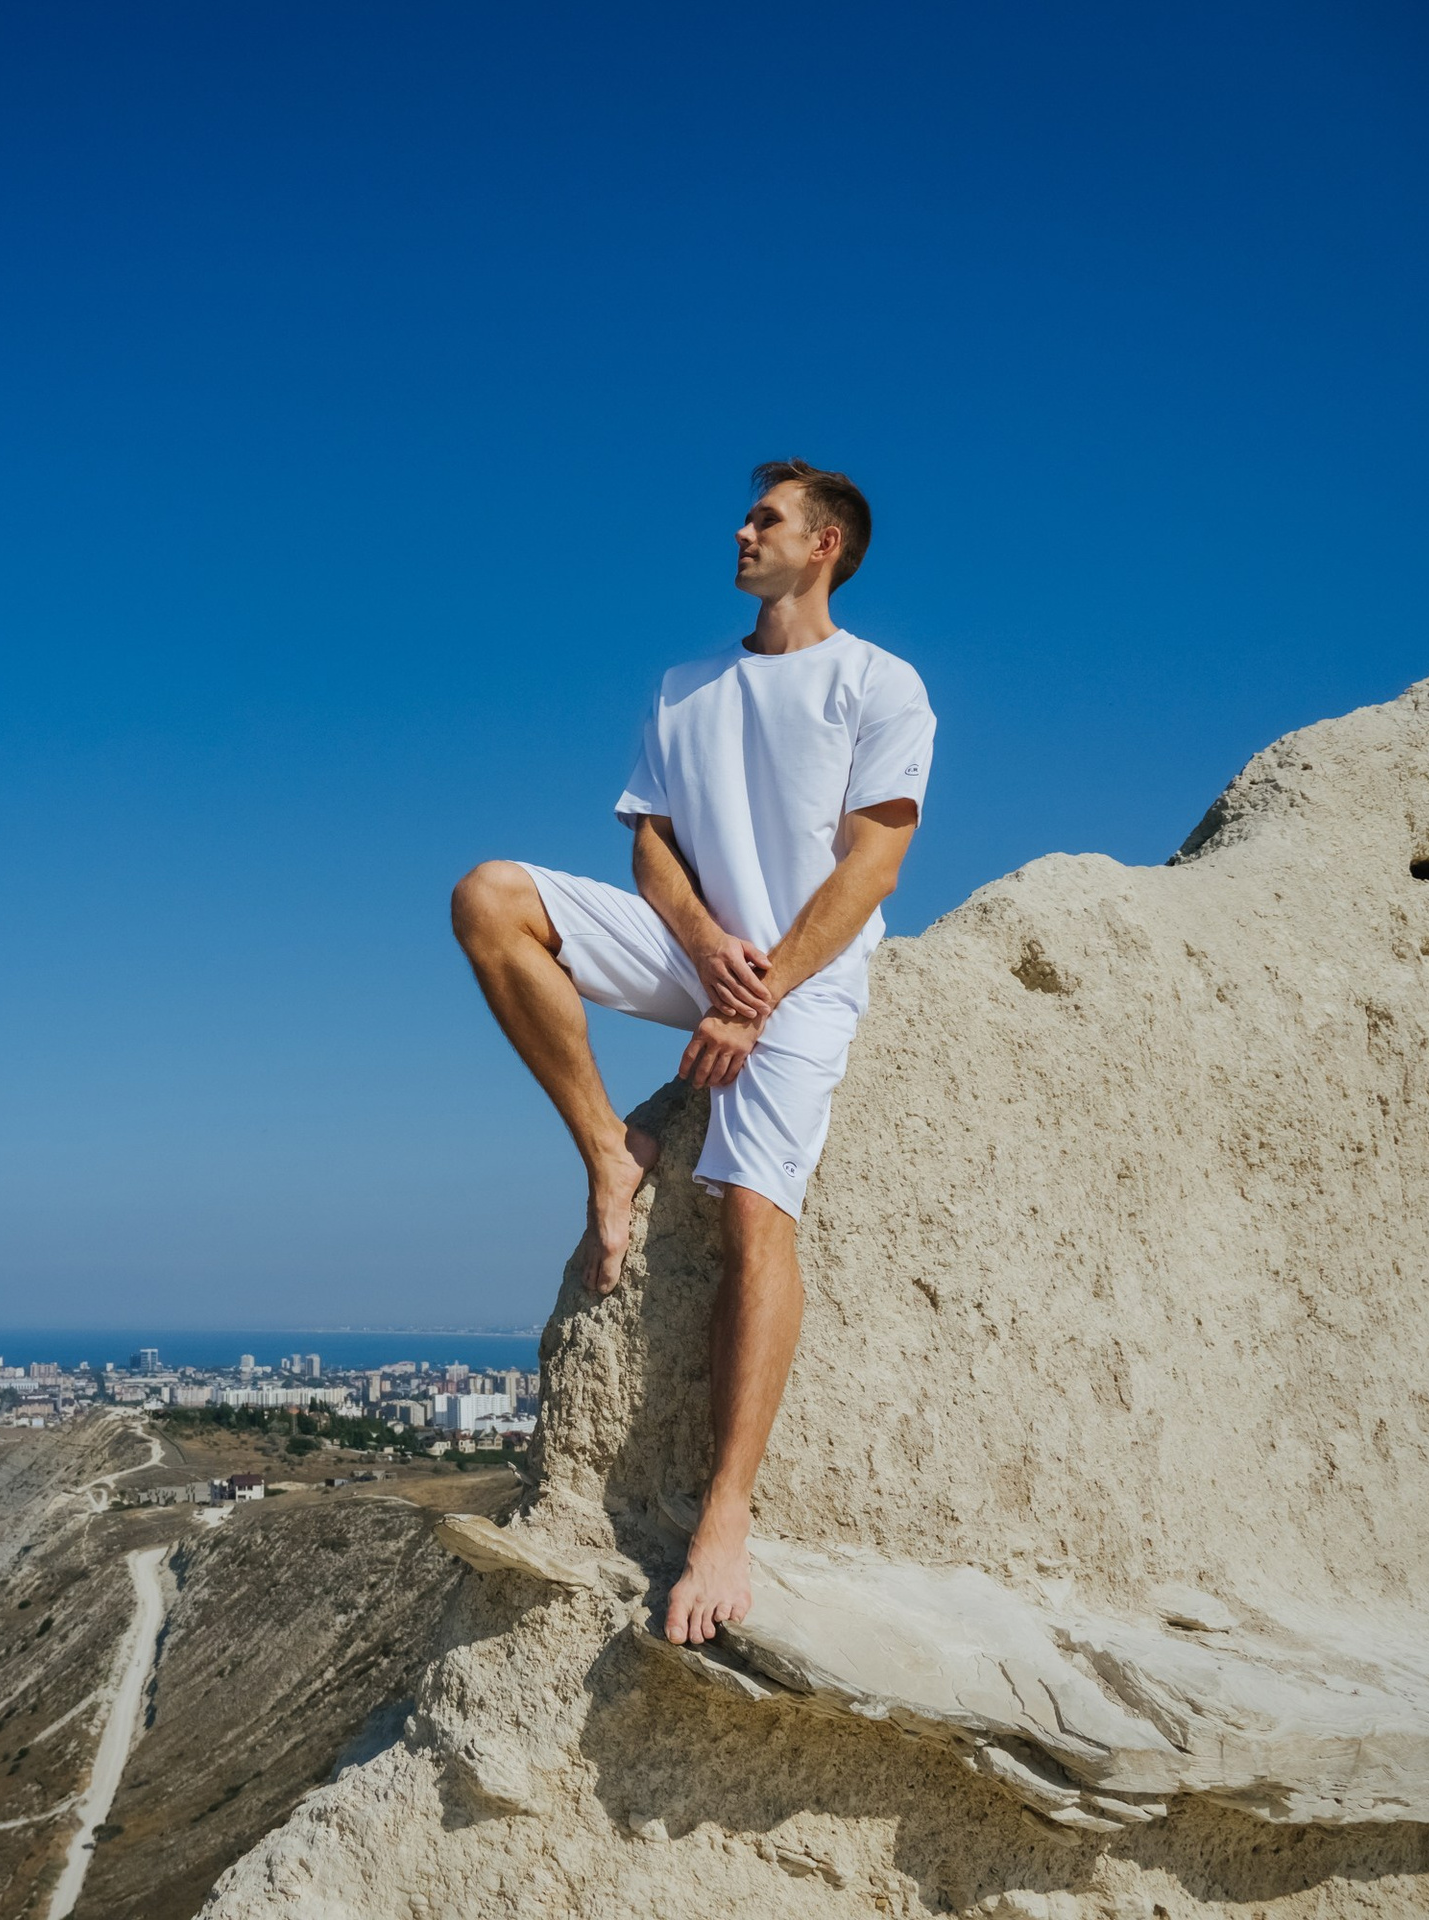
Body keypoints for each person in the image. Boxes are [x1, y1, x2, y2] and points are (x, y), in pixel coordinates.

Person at [449, 459, 934, 1647]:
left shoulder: (881, 684)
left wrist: (759, 989)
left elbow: (871, 863)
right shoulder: (684, 686)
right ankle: (609, 1157)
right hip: (703, 952)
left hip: (805, 976)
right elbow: (651, 852)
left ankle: (724, 1518)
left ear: (823, 545)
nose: (740, 529)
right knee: (489, 898)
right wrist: (708, 947)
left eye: (764, 518)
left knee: (751, 1216)